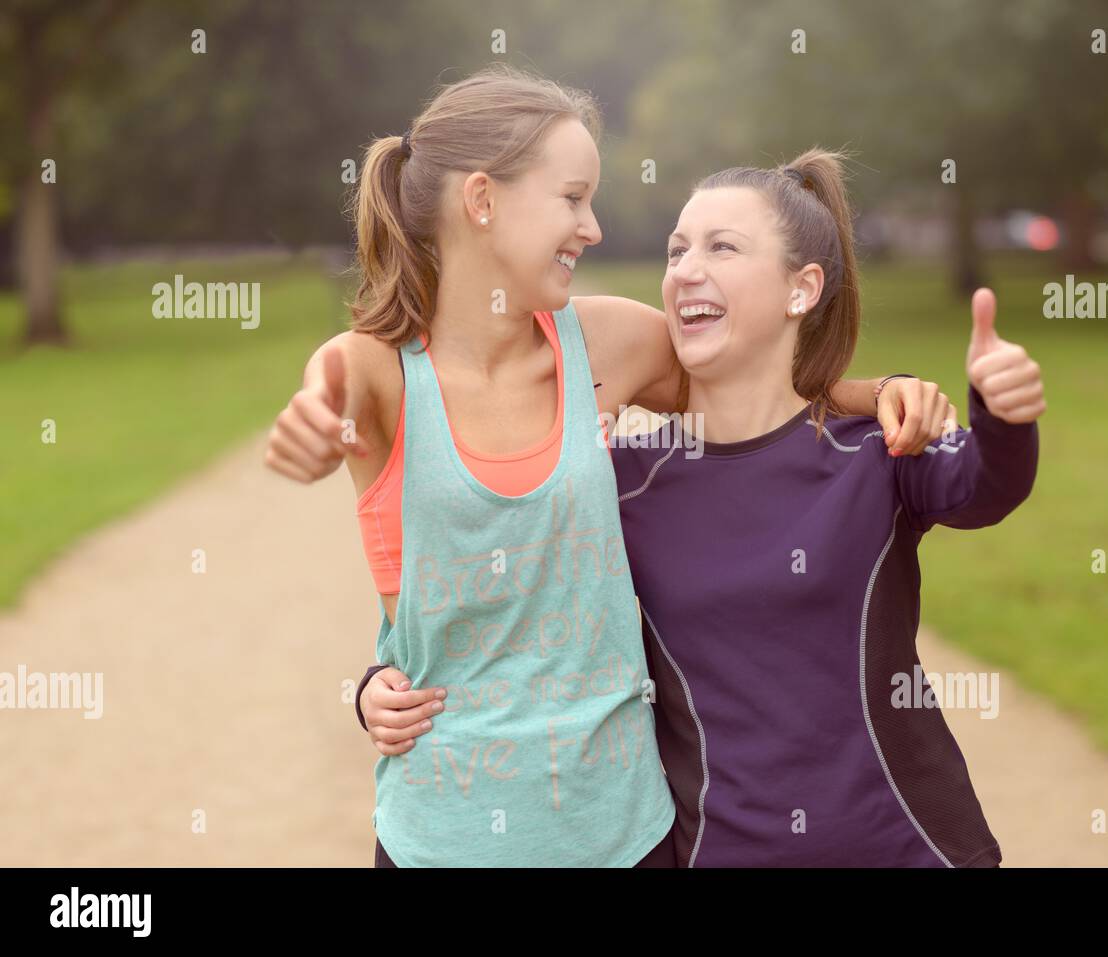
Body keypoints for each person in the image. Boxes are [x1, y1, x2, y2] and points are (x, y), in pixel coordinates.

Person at [265, 66, 956, 867]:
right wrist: (317, 426)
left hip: (626, 835)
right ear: (482, 201)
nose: (591, 227)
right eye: (572, 197)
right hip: (443, 839)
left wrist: (875, 390)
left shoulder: (606, 341)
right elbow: (331, 396)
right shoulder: (377, 372)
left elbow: (747, 379)